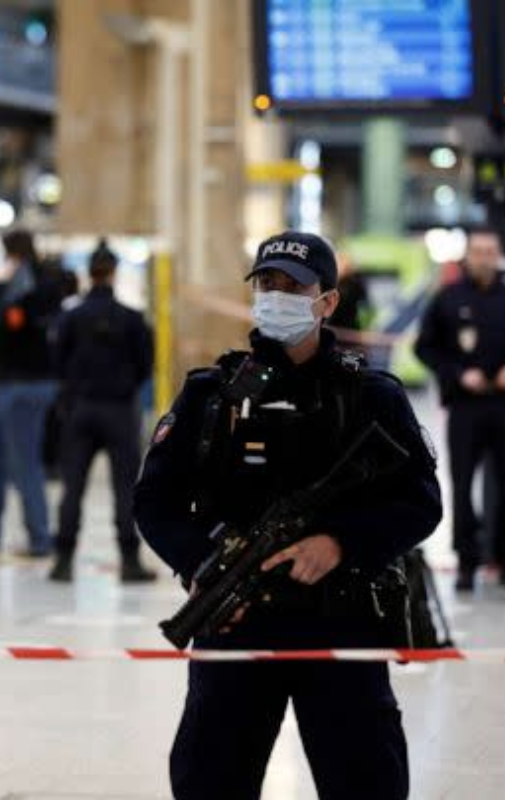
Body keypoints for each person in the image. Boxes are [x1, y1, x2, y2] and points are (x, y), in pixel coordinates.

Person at [134, 231, 441, 800]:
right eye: (267, 284)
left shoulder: (370, 397)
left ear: (327, 303)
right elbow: (154, 502)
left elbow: (420, 502)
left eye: (294, 287)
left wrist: (341, 543)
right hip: (235, 622)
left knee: (366, 783)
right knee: (209, 782)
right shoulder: (211, 396)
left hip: (341, 621)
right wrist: (203, 562)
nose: (277, 296)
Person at [414, 226, 505, 591]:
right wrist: (458, 374)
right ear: (468, 256)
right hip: (465, 408)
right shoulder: (448, 298)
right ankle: (467, 561)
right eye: (477, 251)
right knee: (462, 487)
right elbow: (424, 347)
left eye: (490, 251)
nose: (484, 258)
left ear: (498, 256)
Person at [49, 240, 156, 584]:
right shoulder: (132, 318)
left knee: (73, 487)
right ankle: (129, 561)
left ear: (88, 273)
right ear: (113, 273)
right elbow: (145, 365)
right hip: (119, 410)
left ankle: (63, 561)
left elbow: (58, 362)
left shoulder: (70, 316)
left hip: (79, 409)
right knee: (124, 488)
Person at [0, 230, 65, 559]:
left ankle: (40, 539)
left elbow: (10, 325)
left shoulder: (24, 286)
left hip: (24, 386)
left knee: (24, 462)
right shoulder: (44, 284)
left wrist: (6, 291)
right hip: (19, 384)